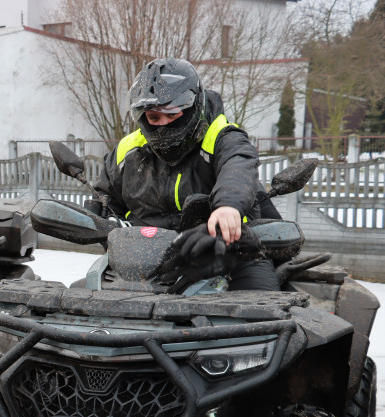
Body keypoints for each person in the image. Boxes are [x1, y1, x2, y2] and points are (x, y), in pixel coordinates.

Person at [96, 58, 279, 291]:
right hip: (142, 265)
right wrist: (90, 218)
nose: (162, 126)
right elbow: (103, 201)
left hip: (228, 254)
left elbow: (238, 167)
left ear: (194, 106)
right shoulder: (127, 150)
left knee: (261, 315)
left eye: (172, 116)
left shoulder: (224, 138)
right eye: (154, 118)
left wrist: (228, 207)